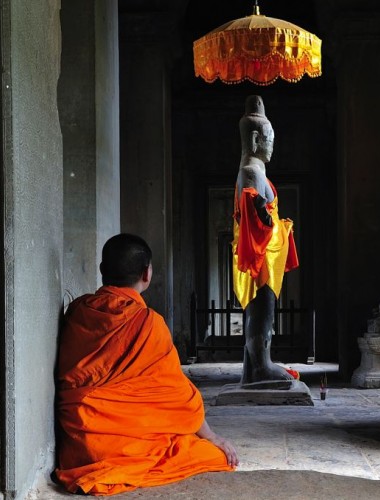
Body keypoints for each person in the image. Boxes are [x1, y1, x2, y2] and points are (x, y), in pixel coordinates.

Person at [55, 233, 238, 496]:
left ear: (102, 270)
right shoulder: (148, 323)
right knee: (211, 455)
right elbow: (177, 394)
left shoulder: (79, 310)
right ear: (146, 274)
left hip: (80, 445)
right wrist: (211, 437)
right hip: (122, 444)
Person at [233, 95, 299, 385]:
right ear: (257, 138)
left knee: (261, 309)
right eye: (270, 138)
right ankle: (261, 365)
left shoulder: (255, 171)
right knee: (262, 310)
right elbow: (251, 208)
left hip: (267, 253)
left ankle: (255, 367)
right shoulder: (251, 172)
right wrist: (267, 216)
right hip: (261, 255)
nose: (273, 145)